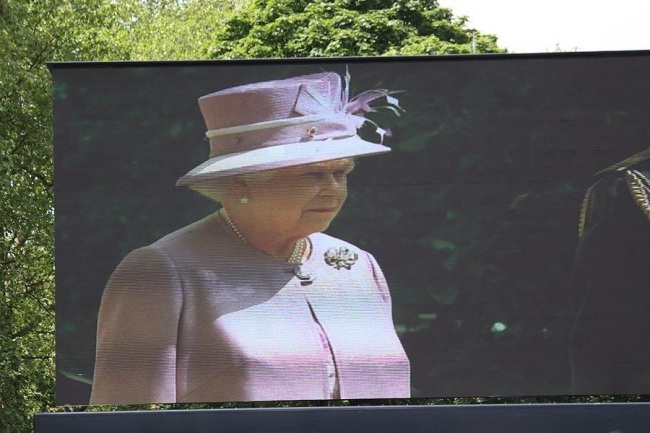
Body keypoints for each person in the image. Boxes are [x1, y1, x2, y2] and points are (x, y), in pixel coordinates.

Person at [89, 71, 411, 405]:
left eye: (340, 173)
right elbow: (127, 416)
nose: (332, 189)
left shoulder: (358, 265)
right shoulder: (160, 270)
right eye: (312, 174)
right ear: (242, 183)